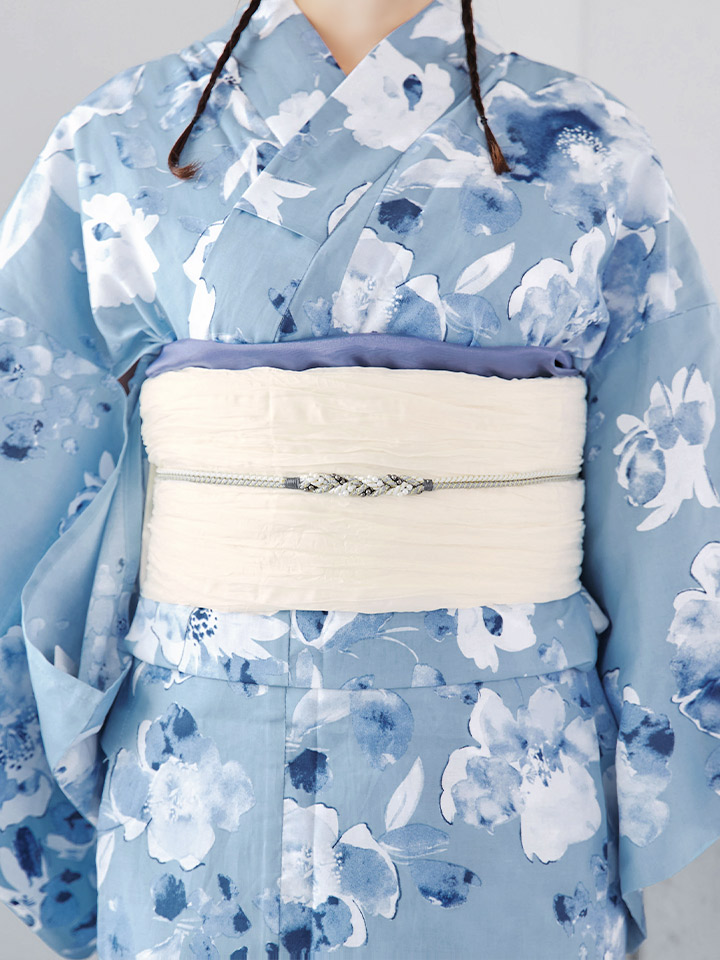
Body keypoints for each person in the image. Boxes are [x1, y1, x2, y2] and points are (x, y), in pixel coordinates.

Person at [0, 0, 718, 957]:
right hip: (196, 754)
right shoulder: (120, 138)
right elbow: (25, 452)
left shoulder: (588, 149)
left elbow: (671, 510)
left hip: (506, 767)